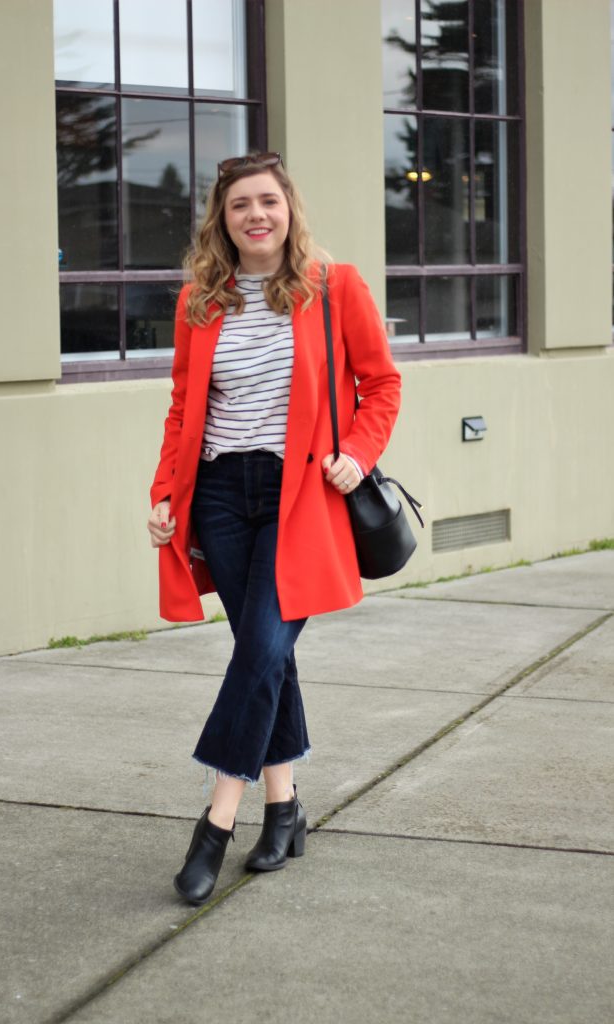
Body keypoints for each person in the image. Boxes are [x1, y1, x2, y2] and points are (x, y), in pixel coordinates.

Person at [147, 152, 401, 906]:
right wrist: (165, 492)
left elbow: (381, 384)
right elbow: (182, 405)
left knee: (260, 647)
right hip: (221, 495)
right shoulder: (201, 299)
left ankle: (214, 824)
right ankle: (284, 810)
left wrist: (356, 453)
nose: (255, 215)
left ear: (288, 208)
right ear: (221, 221)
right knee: (264, 658)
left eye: (267, 201)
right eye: (238, 206)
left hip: (301, 497)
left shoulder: (332, 286)